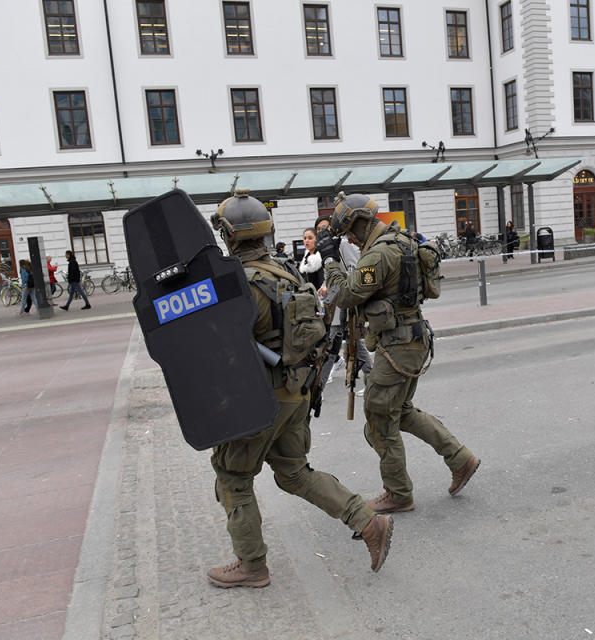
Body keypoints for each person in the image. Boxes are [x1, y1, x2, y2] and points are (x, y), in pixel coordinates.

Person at [205, 189, 393, 588]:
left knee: (232, 477)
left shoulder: (239, 283)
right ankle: (368, 521)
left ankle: (252, 565)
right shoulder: (284, 271)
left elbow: (222, 350)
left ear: (230, 236)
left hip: (261, 398)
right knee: (293, 472)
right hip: (295, 394)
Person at [320, 193, 481, 514]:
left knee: (379, 421)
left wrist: (330, 261)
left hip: (398, 345)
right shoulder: (401, 240)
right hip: (411, 340)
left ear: (363, 222)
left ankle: (398, 492)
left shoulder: (379, 254)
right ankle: (460, 458)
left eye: (351, 231)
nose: (350, 238)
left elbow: (348, 294)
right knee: (401, 411)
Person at [315, 214, 373, 394]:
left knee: (332, 346)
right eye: (318, 230)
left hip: (344, 304)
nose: (322, 233)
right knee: (348, 343)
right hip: (335, 304)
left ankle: (318, 388)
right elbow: (330, 276)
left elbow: (351, 272)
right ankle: (371, 380)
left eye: (325, 228)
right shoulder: (327, 247)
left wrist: (333, 294)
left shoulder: (344, 245)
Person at [298, 228, 325, 293]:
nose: (307, 241)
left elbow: (322, 278)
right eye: (305, 238)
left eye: (310, 238)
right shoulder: (306, 257)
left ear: (317, 239)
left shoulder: (320, 256)